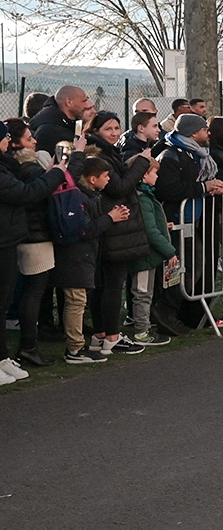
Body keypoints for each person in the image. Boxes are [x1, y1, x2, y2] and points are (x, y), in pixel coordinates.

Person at [0, 123, 66, 377]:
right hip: (22, 237)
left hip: (13, 237)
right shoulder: (17, 168)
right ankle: (25, 347)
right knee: (29, 293)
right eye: (29, 138)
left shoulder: (10, 166)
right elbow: (27, 193)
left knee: (7, 301)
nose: (35, 141)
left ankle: (5, 356)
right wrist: (56, 173)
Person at [83, 112, 152, 351]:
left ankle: (101, 334)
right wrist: (142, 162)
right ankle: (111, 336)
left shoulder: (110, 152)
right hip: (112, 224)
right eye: (108, 129)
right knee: (112, 284)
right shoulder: (99, 154)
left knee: (105, 285)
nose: (114, 132)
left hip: (112, 223)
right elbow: (119, 186)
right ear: (96, 131)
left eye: (116, 128)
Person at [55, 155, 128, 363]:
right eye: (105, 176)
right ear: (93, 179)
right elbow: (85, 229)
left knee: (79, 300)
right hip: (75, 257)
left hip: (83, 256)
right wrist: (110, 218)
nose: (108, 180)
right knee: (76, 301)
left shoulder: (90, 196)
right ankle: (75, 349)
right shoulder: (79, 197)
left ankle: (78, 345)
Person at [128, 157, 180, 344]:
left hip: (146, 253)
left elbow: (150, 225)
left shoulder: (145, 196)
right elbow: (149, 230)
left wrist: (163, 226)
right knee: (142, 292)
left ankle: (143, 327)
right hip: (144, 254)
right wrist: (170, 251)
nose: (157, 176)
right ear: (144, 175)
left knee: (145, 292)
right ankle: (141, 332)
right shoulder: (143, 199)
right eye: (154, 172)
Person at [31, 84, 95, 152]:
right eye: (83, 101)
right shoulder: (49, 131)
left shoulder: (72, 123)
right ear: (69, 102)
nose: (86, 105)